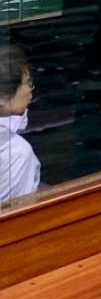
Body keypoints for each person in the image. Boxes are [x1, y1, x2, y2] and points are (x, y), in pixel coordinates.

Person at [0, 43, 40, 204]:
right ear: (1, 98)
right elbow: (20, 217)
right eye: (28, 83)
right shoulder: (18, 153)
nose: (31, 89)